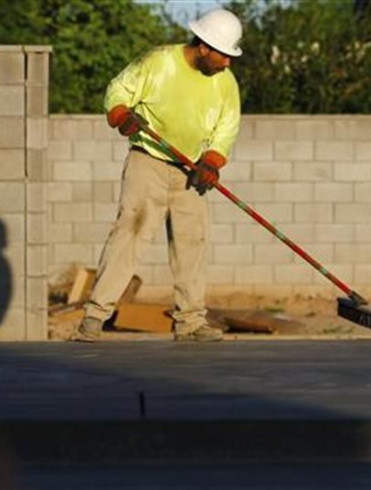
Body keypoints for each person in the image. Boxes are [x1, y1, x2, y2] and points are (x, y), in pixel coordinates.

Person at [70, 9, 243, 342]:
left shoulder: (226, 84)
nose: (227, 62)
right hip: (147, 162)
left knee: (192, 243)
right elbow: (118, 90)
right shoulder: (158, 62)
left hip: (191, 171)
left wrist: (211, 162)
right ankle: (93, 318)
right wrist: (122, 114)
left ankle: (191, 323)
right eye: (224, 54)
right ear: (204, 47)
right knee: (129, 236)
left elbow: (226, 128)